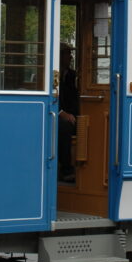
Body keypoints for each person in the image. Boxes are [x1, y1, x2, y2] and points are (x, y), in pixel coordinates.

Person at [57, 43, 79, 181]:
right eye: (67, 53)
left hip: (71, 114)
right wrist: (60, 112)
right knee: (64, 127)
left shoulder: (72, 75)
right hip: (54, 114)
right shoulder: (50, 74)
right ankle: (66, 170)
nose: (70, 57)